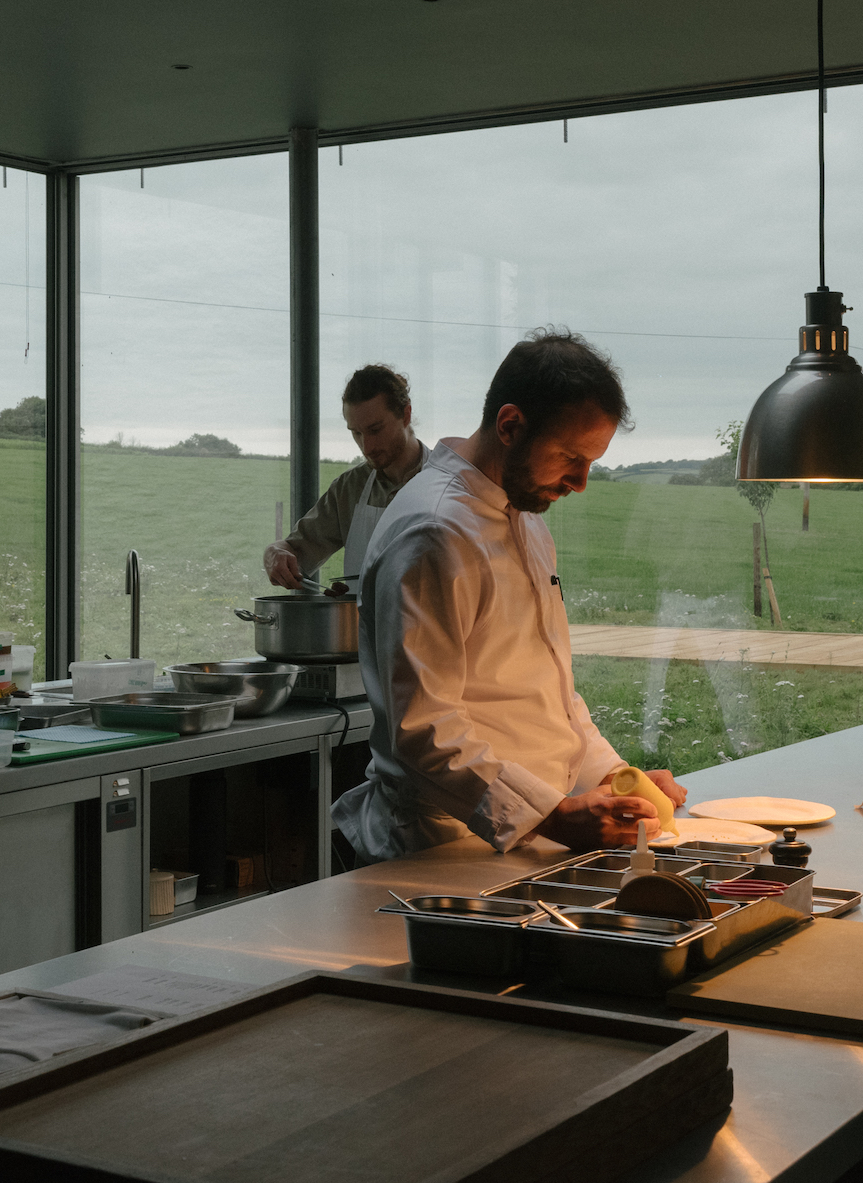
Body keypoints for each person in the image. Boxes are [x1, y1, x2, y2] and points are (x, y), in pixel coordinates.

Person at [333, 329, 685, 865]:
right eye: (570, 456)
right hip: (443, 849)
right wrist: (553, 816)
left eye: (591, 461)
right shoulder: (434, 532)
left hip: (530, 836)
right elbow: (424, 730)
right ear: (510, 425)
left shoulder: (523, 515)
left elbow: (546, 692)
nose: (581, 482)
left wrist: (613, 777)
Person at [263, 364, 427, 590]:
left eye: (375, 430)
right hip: (359, 615)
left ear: (406, 415)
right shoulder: (350, 489)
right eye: (356, 433)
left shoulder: (448, 482)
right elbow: (296, 550)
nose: (366, 447)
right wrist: (274, 553)